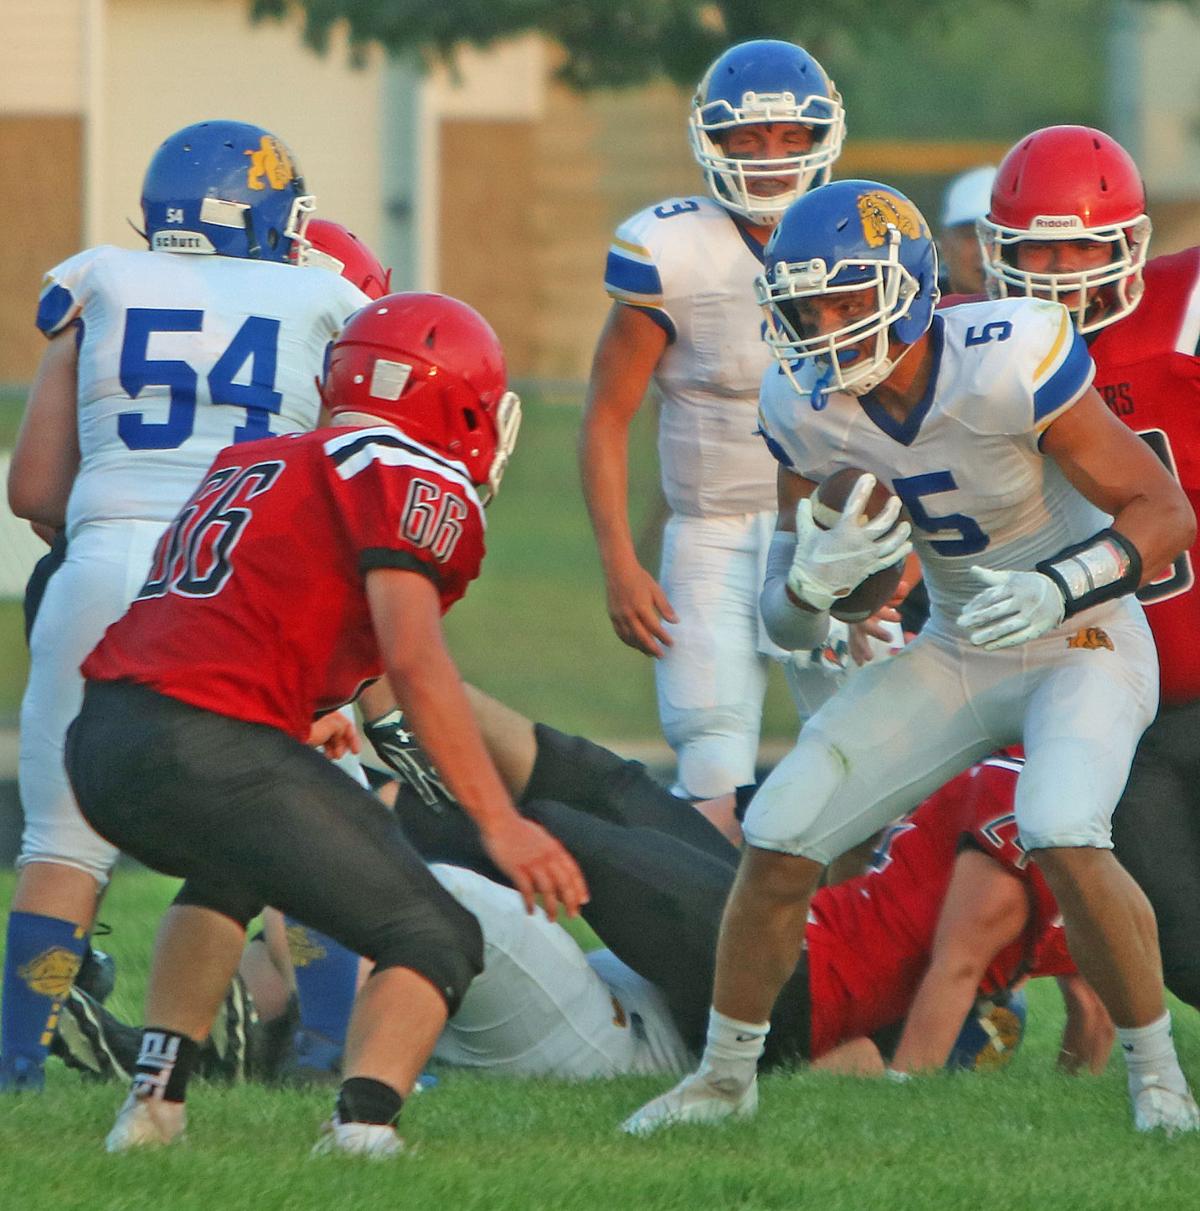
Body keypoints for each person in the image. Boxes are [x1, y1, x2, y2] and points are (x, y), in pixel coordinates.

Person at [623, 178, 1198, 1136]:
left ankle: (1158, 1078)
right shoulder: (801, 408)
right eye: (807, 305)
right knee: (782, 830)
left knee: (1061, 823)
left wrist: (1061, 584)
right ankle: (723, 1081)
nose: (824, 324)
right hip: (959, 642)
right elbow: (797, 622)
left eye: (848, 298)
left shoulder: (1008, 357)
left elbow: (1167, 514)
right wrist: (815, 584)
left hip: (1082, 637)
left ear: (910, 288)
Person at [62, 292, 587, 1157]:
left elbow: (226, 610)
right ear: (459, 403)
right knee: (431, 932)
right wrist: (502, 821)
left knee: (227, 872)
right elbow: (414, 659)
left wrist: (303, 714)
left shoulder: (259, 458)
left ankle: (153, 1110)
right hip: (210, 739)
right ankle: (362, 1129)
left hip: (110, 737)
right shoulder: (412, 469)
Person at [56, 710, 1111, 1086]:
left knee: (562, 835)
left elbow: (962, 964)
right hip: (787, 954)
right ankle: (382, 707)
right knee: (601, 784)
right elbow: (1090, 1013)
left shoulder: (1020, 790)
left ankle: (343, 831)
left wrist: (907, 1080)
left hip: (782, 980)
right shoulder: (1079, 835)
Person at [0, 119, 370, 1093]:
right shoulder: (328, 298)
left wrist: (115, 531)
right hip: (240, 574)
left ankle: (17, 1064)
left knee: (62, 840)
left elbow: (35, 489)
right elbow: (347, 487)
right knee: (307, 817)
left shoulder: (100, 282)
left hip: (107, 559)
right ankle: (331, 1049)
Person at [580, 39, 846, 801]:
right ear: (713, 141)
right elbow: (606, 415)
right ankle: (712, 921)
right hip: (713, 533)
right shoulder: (671, 248)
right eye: (749, 138)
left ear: (822, 138)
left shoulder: (860, 233)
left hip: (830, 530)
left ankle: (847, 921)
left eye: (792, 137)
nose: (770, 157)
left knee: (864, 748)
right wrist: (620, 561)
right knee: (710, 749)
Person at [978, 125, 1200, 1014]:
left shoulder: (1184, 308)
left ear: (1131, 244)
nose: (1063, 266)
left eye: (1083, 242)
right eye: (1039, 246)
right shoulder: (981, 350)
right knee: (1180, 940)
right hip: (1113, 693)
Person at [938, 165, 996, 295]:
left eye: (995, 235)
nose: (985, 251)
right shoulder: (916, 310)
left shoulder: (1039, 311)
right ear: (945, 244)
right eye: (972, 236)